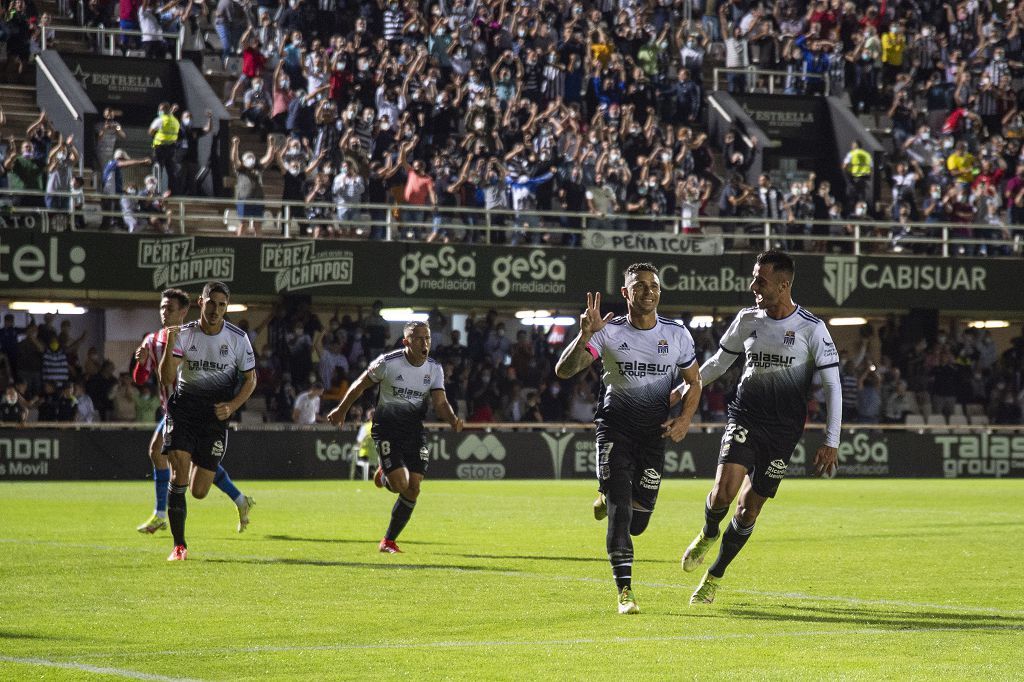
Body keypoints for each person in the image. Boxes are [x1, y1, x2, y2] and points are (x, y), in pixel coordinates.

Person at [674, 250, 841, 604]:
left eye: (760, 281)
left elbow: (832, 386)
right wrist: (687, 386)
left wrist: (831, 440)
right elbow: (720, 362)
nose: (753, 286)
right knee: (723, 492)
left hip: (783, 432)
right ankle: (708, 532)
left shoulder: (812, 328)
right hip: (745, 415)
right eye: (753, 278)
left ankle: (715, 574)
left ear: (784, 285)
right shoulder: (748, 319)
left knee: (749, 508)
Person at [554, 262, 702, 615]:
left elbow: (694, 381)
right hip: (615, 429)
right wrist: (585, 335)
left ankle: (605, 494)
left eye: (653, 286)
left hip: (653, 434)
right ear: (625, 293)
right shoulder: (609, 332)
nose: (648, 291)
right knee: (621, 514)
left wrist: (684, 419)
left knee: (639, 523)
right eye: (639, 286)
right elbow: (564, 370)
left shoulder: (677, 334)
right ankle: (625, 593)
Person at [326, 321, 463, 554]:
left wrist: (452, 420)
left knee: (414, 487)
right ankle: (386, 474)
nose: (425, 343)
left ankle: (388, 541)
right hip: (387, 428)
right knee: (400, 484)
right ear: (406, 341)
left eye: (428, 338)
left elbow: (440, 402)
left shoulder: (434, 368)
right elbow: (360, 384)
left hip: (414, 430)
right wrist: (341, 410)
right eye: (419, 338)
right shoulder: (388, 363)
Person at [133, 288, 255, 535]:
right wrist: (140, 361)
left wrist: (231, 405)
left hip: (208, 417)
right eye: (162, 308)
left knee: (197, 484)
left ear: (183, 311)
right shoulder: (154, 339)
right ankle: (163, 517)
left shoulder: (227, 338)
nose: (165, 313)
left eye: (170, 308)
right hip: (178, 412)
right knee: (160, 453)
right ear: (202, 304)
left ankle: (239, 498)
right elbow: (143, 377)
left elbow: (250, 378)